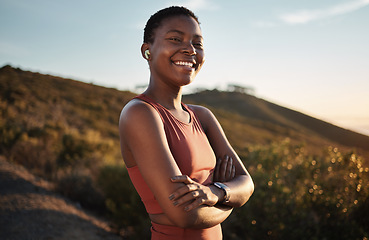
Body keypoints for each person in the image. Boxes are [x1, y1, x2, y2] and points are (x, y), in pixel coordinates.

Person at [119, 6, 254, 240]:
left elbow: (247, 184)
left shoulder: (203, 116)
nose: (190, 49)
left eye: (198, 43)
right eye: (175, 38)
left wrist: (214, 192)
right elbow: (185, 216)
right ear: (147, 50)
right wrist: (230, 200)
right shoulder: (140, 113)